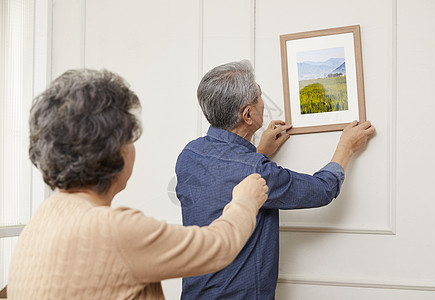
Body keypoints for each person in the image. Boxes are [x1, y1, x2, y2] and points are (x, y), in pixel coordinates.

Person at [7, 69, 269, 300]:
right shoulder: (114, 230)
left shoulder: (43, 219)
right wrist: (245, 200)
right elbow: (218, 247)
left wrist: (258, 153)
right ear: (116, 151)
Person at [175, 60, 376, 299]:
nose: (263, 102)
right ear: (248, 114)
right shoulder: (256, 169)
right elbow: (322, 190)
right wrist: (346, 147)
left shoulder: (189, 154)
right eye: (259, 96)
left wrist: (258, 152)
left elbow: (226, 182)